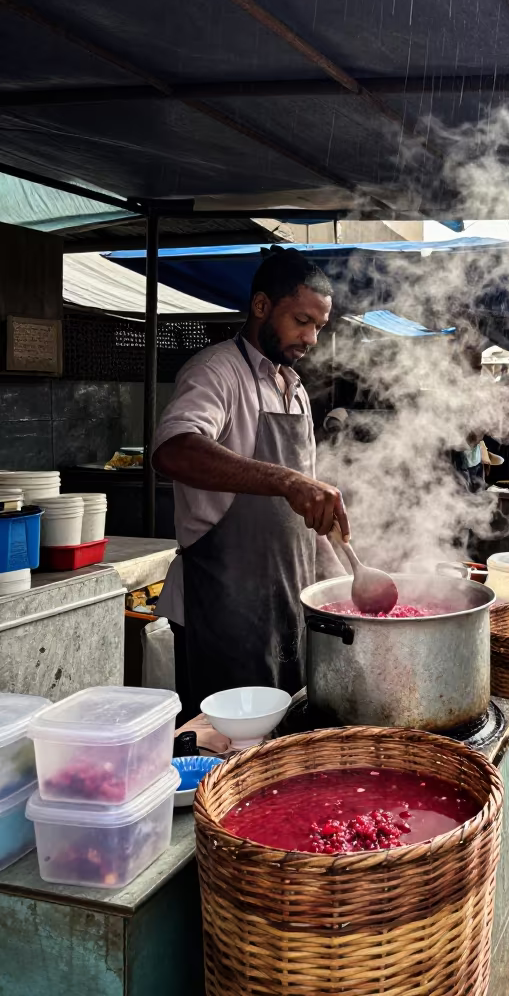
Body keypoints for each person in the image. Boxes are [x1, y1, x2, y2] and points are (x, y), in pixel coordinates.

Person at [152, 247, 349, 718]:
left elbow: (307, 509)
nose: (312, 338)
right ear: (262, 306)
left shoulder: (295, 388)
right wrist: (285, 480)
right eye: (303, 321)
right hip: (222, 611)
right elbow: (173, 448)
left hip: (285, 607)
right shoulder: (216, 372)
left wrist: (345, 589)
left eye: (319, 327)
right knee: (227, 756)